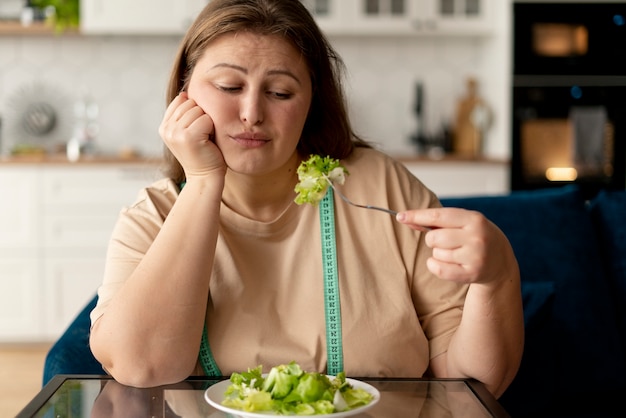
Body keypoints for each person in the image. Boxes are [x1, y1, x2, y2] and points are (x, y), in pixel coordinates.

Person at [89, 0, 524, 399]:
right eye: (228, 86)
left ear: (311, 103)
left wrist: (498, 277)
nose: (252, 113)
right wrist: (203, 181)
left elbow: (471, 380)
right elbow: (140, 367)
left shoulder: (380, 185)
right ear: (184, 93)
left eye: (280, 93)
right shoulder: (154, 216)